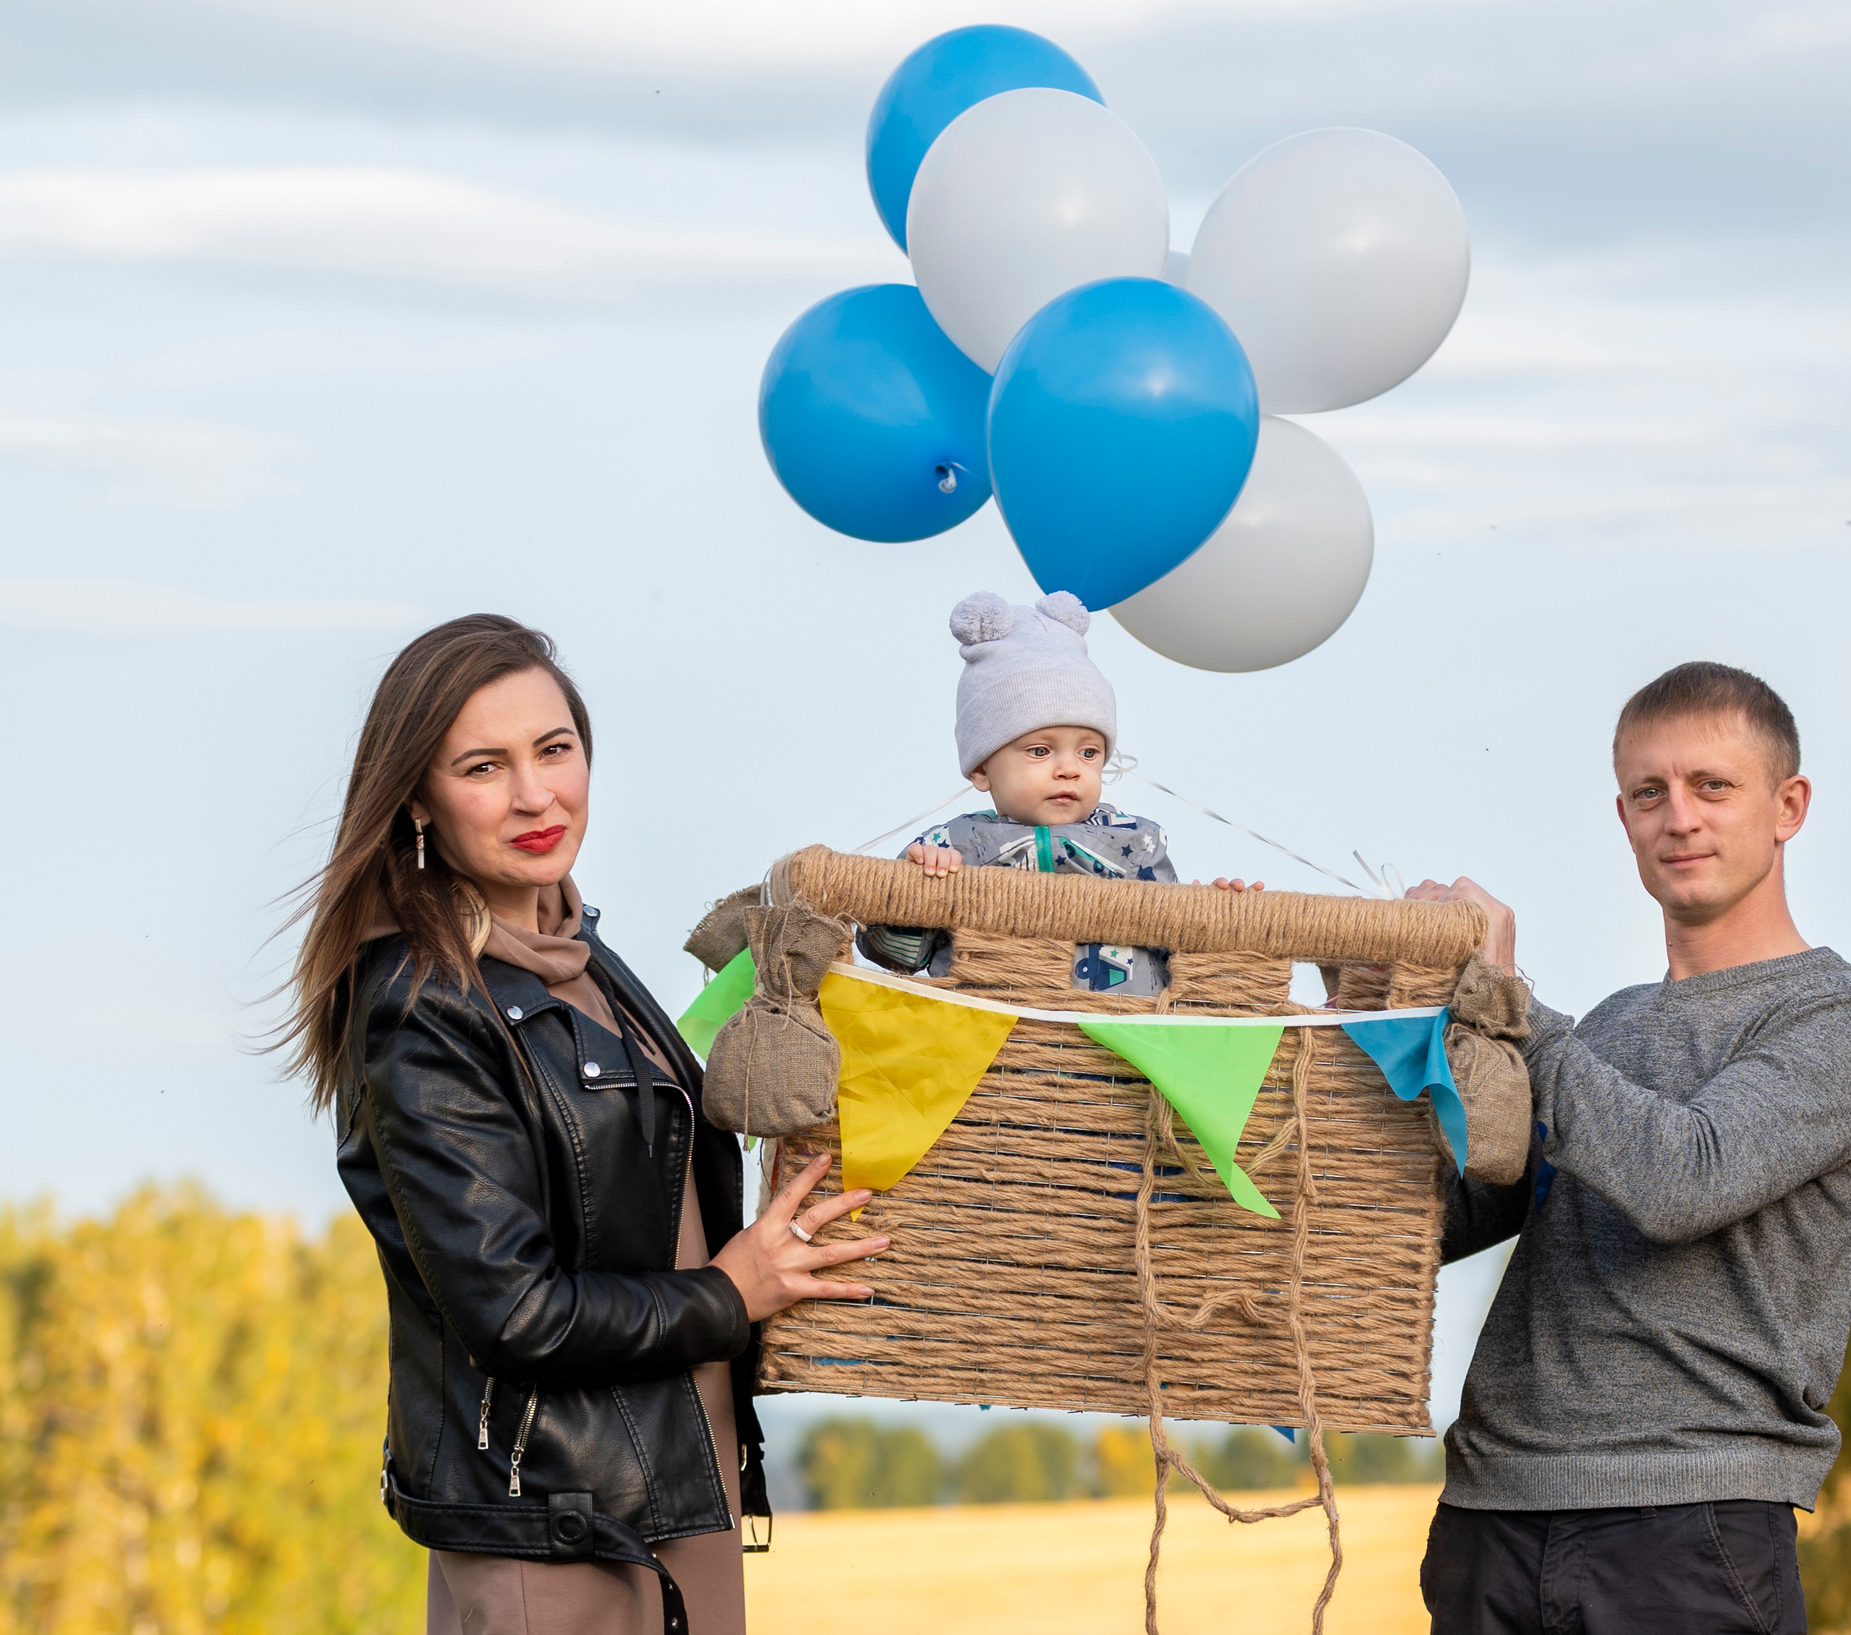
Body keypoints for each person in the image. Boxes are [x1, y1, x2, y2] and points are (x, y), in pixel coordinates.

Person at [278, 614, 886, 1635]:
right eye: (484, 765)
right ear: (417, 798)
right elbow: (515, 1311)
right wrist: (730, 1291)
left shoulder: (575, 953)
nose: (535, 793)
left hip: (669, 1487)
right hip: (556, 1524)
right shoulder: (421, 1004)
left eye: (554, 749)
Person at [1411, 662, 1851, 1635]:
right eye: (1649, 792)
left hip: (1690, 1528)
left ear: (1787, 805)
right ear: (1624, 814)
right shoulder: (1603, 1027)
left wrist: (1504, 1002)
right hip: (1492, 1512)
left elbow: (1680, 1176)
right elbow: (1451, 1208)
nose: (1677, 817)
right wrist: (1374, 1017)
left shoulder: (1838, 1019)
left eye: (1711, 786)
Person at [861, 589, 1252, 994]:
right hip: (995, 1039)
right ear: (981, 769)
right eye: (1040, 751)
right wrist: (917, 890)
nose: (1069, 769)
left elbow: (1180, 946)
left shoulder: (1137, 840)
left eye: (1088, 752)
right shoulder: (954, 845)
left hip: (1119, 1040)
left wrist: (1216, 914)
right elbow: (895, 958)